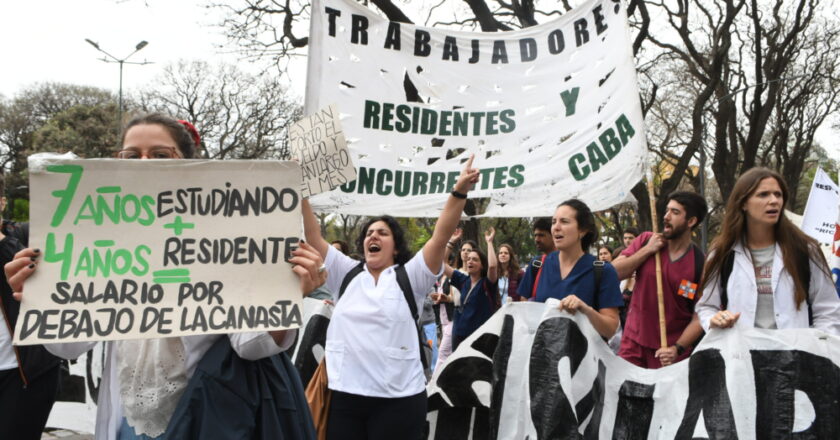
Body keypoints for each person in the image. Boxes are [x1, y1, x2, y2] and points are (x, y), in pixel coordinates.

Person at [5, 113, 318, 440]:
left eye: (159, 155)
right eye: (131, 155)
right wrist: (41, 299)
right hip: (126, 422)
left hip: (201, 417)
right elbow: (68, 348)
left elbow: (251, 345)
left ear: (187, 163)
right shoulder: (99, 237)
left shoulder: (226, 237)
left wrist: (285, 297)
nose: (144, 164)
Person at [300, 156, 479, 439]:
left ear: (395, 247)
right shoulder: (344, 272)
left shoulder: (412, 275)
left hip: (399, 401)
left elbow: (440, 234)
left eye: (383, 233)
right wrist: (298, 189)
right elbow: (312, 235)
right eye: (369, 233)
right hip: (344, 397)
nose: (374, 236)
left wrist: (459, 192)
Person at [696, 167, 840, 334]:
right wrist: (714, 320)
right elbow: (706, 307)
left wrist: (816, 348)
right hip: (741, 356)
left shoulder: (806, 250)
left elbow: (828, 310)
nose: (774, 201)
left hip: (797, 356)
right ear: (743, 203)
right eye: (763, 194)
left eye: (778, 194)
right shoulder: (722, 252)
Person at [0, 172, 62, 440]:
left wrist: (1, 241)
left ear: (2, 202)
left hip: (23, 375)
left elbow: (44, 283)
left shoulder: (25, 236)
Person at [614, 191, 707, 368]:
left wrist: (677, 348)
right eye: (666, 210)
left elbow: (700, 315)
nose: (666, 216)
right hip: (633, 345)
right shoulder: (646, 240)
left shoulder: (700, 263)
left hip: (669, 354)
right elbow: (614, 273)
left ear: (691, 221)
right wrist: (647, 250)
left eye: (675, 212)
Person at [518, 200, 623, 339]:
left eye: (564, 221)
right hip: (541, 356)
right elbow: (524, 314)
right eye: (554, 222)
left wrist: (585, 310)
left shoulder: (603, 271)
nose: (556, 227)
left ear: (583, 230)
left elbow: (610, 329)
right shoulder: (537, 265)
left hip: (584, 358)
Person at [443, 227, 499, 350]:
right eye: (468, 259)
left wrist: (489, 242)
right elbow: (442, 264)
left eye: (474, 259)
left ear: (482, 265)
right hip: (459, 335)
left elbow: (493, 266)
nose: (470, 261)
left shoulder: (487, 283)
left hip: (479, 340)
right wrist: (451, 241)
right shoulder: (463, 280)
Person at [517, 217, 556, 300]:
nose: (536, 239)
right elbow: (523, 297)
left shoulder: (567, 263)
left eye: (541, 235)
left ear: (554, 236)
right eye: (535, 235)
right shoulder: (536, 263)